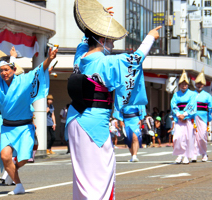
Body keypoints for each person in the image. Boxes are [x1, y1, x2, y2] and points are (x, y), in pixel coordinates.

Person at [65, 1, 161, 199]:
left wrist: (99, 22)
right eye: (110, 40)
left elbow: (84, 42)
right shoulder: (107, 62)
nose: (113, 44)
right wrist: (150, 38)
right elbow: (136, 58)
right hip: (93, 123)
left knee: (83, 177)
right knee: (101, 175)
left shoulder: (80, 57)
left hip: (75, 120)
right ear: (101, 39)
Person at [0, 45, 57, 195]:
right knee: (4, 156)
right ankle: (19, 185)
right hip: (7, 127)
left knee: (24, 158)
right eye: (1, 70)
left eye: (7, 70)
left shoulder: (24, 80)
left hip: (25, 127)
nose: (4, 73)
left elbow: (39, 70)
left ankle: (12, 170)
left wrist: (49, 59)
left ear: (14, 70)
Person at [171, 69, 197, 164]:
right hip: (179, 119)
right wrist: (178, 114)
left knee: (187, 137)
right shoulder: (176, 94)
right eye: (182, 84)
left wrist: (185, 114)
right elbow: (173, 105)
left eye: (185, 84)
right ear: (179, 84)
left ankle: (186, 156)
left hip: (187, 118)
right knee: (177, 137)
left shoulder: (192, 94)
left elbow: (192, 105)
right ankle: (180, 154)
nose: (184, 85)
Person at [192, 68, 212, 162]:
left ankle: (203, 153)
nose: (199, 85)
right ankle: (194, 154)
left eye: (201, 84)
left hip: (203, 117)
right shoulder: (191, 94)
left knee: (202, 136)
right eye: (198, 83)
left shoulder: (207, 96)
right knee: (193, 136)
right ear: (195, 84)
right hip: (192, 117)